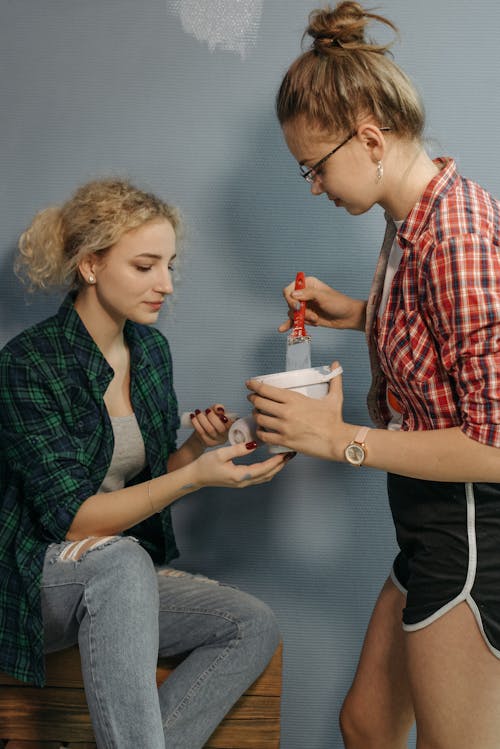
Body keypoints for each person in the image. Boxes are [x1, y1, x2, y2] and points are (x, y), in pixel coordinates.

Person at [246, 3, 500, 748]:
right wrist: (357, 310)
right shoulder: (412, 217)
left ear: (369, 138)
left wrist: (340, 438)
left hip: (471, 524)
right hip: (428, 520)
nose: (314, 187)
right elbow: (450, 334)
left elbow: (494, 444)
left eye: (314, 167)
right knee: (367, 722)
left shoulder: (454, 234)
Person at [0, 177, 291, 749]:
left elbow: (144, 483)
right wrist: (194, 477)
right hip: (32, 579)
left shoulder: (150, 351)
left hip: (115, 572)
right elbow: (76, 523)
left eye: (170, 266)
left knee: (250, 625)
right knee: (123, 560)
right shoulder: (27, 364)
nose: (165, 284)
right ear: (90, 266)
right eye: (145, 266)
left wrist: (197, 453)